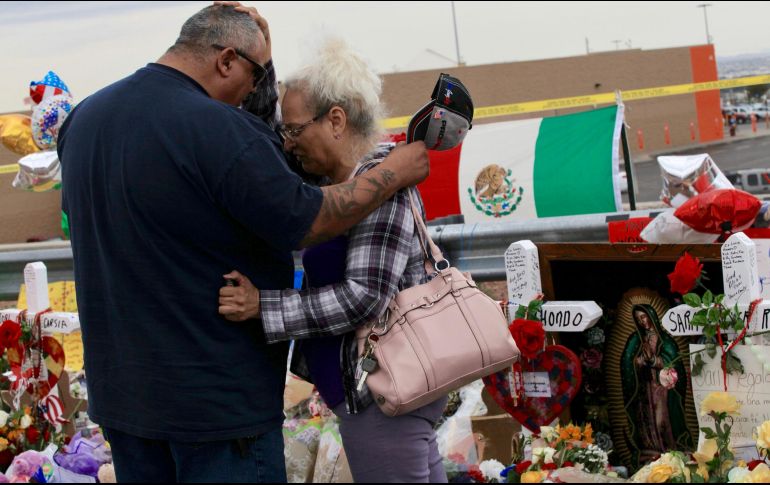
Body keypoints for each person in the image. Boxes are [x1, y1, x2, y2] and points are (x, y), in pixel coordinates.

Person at [57, 5, 429, 483]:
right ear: (226, 60)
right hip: (214, 405)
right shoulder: (217, 130)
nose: (256, 90)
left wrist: (263, 62)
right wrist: (393, 171)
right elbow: (308, 218)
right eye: (255, 76)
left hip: (124, 399)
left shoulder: (85, 120)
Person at [218, 39, 448, 483]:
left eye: (295, 130)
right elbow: (268, 152)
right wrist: (260, 59)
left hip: (381, 396)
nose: (289, 144)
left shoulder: (380, 186)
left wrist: (262, 307)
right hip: (380, 393)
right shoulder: (345, 184)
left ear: (336, 120)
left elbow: (364, 297)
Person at [620, 304, 693, 468]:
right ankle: (653, 454)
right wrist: (638, 362)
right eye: (639, 318)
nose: (642, 321)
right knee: (646, 421)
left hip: (661, 389)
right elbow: (627, 363)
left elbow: (673, 360)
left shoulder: (665, 340)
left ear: (651, 316)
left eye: (644, 316)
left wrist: (654, 361)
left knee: (661, 420)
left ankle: (669, 452)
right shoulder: (635, 340)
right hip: (644, 389)